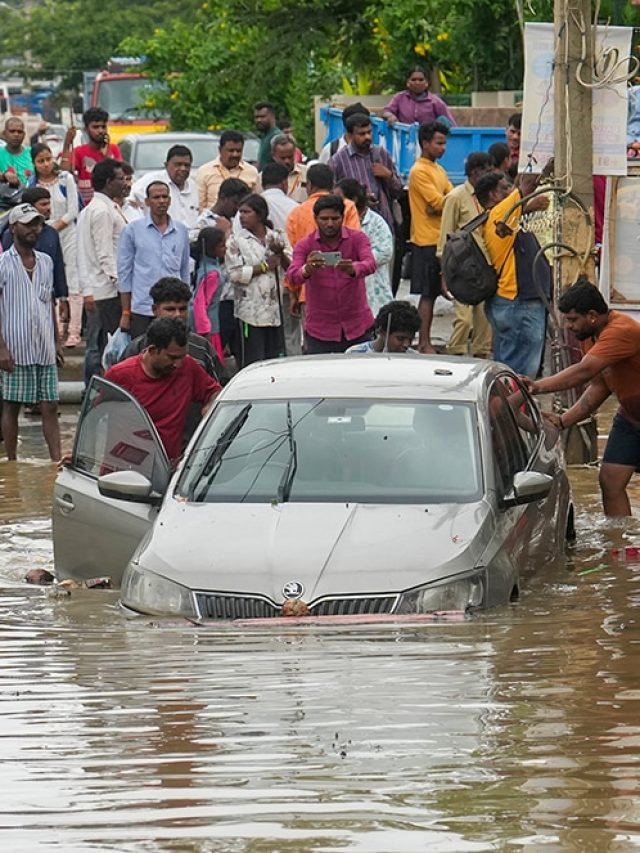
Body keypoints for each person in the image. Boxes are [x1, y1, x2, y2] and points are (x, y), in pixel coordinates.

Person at [525, 280, 640, 517]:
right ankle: (620, 547)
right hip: (630, 419)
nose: (568, 326)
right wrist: (564, 420)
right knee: (610, 481)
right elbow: (599, 385)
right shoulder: (590, 335)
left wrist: (537, 386)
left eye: (572, 319)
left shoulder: (622, 330)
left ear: (592, 316)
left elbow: (584, 371)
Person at [104, 316, 220, 466]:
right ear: (152, 350)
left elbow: (215, 392)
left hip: (166, 470)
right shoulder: (119, 376)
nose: (178, 364)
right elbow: (94, 415)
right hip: (123, 469)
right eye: (172, 358)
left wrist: (210, 406)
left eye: (181, 357)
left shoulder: (189, 368)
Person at [0, 204, 61, 461]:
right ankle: (12, 460)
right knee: (11, 406)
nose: (33, 229)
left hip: (44, 346)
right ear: (13, 228)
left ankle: (57, 460)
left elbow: (50, 303)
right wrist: (1, 348)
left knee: (51, 405)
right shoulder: (3, 264)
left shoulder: (46, 262)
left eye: (37, 224)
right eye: (27, 224)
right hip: (15, 347)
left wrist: (56, 342)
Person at [482, 166, 551, 377]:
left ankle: (507, 406)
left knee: (509, 367)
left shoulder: (504, 217)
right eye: (505, 188)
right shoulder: (500, 213)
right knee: (521, 372)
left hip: (514, 303)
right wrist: (540, 161)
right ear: (494, 194)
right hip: (519, 303)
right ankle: (513, 407)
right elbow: (527, 186)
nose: (511, 190)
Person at [287, 194, 375, 354]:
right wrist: (308, 269)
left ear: (343, 217)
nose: (329, 224)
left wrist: (353, 268)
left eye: (335, 219)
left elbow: (370, 263)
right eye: (324, 219)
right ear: (315, 218)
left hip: (357, 326)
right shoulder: (305, 245)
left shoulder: (357, 239)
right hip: (320, 331)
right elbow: (293, 275)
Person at [285, 163, 361, 323]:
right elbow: (355, 247)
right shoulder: (347, 207)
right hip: (346, 288)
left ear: (310, 185)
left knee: (315, 343)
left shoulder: (295, 214)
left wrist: (293, 292)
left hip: (310, 291)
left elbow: (293, 259)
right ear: (333, 184)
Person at [436, 151, 493, 358]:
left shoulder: (489, 196)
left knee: (484, 322)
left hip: (486, 267)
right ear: (474, 173)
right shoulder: (455, 197)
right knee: (464, 319)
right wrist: (445, 274)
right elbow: (445, 238)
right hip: (462, 269)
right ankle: (455, 356)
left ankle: (481, 358)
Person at [117, 181, 191, 339]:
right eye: (156, 197)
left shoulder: (181, 230)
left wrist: (185, 306)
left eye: (165, 197)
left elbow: (184, 269)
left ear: (170, 200)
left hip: (173, 308)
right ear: (147, 202)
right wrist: (125, 311)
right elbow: (125, 273)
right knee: (144, 352)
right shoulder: (132, 230)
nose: (162, 201)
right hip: (143, 308)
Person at [76, 158, 126, 382]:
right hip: (105, 290)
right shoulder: (102, 211)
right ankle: (94, 392)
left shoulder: (95, 208)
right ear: (108, 182)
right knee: (101, 347)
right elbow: (105, 253)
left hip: (97, 288)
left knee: (97, 345)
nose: (124, 183)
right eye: (120, 179)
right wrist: (122, 285)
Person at [226, 193, 291, 365]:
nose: (241, 216)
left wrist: (280, 253)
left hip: (274, 313)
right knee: (252, 360)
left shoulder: (277, 237)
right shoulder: (236, 241)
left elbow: (291, 269)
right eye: (240, 212)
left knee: (273, 360)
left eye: (246, 212)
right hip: (249, 314)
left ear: (260, 215)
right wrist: (263, 267)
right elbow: (234, 274)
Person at [30, 143, 82, 347]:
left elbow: (73, 210)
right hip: (43, 235)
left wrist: (54, 228)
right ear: (34, 163)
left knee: (73, 279)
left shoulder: (65, 179)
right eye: (40, 161)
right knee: (50, 279)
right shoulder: (32, 184)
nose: (45, 164)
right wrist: (46, 232)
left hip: (68, 233)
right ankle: (57, 327)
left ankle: (74, 330)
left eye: (48, 159)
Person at [408, 121, 453, 353]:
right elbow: (439, 202)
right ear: (425, 144)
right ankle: (424, 342)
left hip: (440, 238)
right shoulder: (419, 171)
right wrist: (441, 204)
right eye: (439, 143)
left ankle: (426, 341)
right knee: (428, 295)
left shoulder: (438, 169)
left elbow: (450, 197)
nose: (443, 148)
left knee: (434, 293)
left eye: (444, 143)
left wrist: (441, 204)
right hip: (426, 240)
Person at [330, 113, 403, 232]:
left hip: (383, 223)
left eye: (369, 132)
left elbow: (398, 190)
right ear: (350, 135)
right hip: (355, 226)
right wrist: (361, 199)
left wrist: (388, 175)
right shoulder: (338, 161)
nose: (367, 137)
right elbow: (332, 197)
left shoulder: (380, 154)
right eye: (361, 134)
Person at [259, 162, 301, 355]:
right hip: (289, 279)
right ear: (285, 183)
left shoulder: (250, 208)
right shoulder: (295, 208)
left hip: (259, 282)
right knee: (291, 333)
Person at [335, 177, 393, 316]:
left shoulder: (375, 222)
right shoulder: (337, 220)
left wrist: (356, 261)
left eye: (338, 197)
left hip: (373, 289)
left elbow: (385, 251)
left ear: (352, 200)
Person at [128, 145, 199, 239]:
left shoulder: (193, 185)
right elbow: (128, 201)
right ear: (166, 165)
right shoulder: (150, 180)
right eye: (178, 164)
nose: (183, 169)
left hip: (190, 243)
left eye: (187, 165)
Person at [68, 107, 122, 205]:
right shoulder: (79, 152)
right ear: (86, 129)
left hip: (110, 204)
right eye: (95, 127)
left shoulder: (113, 149)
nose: (100, 131)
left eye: (103, 127)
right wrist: (66, 144)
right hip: (87, 205)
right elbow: (65, 172)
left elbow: (119, 176)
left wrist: (106, 155)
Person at [197, 130, 258, 211]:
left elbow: (257, 204)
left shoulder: (252, 172)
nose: (235, 154)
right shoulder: (204, 171)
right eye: (231, 150)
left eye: (239, 151)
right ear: (220, 150)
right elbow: (200, 206)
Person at [192, 228, 226, 363]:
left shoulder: (205, 264)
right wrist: (205, 329)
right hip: (209, 328)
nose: (226, 248)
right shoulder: (212, 274)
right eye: (222, 245)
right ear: (212, 248)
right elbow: (200, 303)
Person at [382, 66, 456, 127]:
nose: (417, 82)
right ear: (408, 83)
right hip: (404, 139)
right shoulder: (399, 98)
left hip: (428, 141)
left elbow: (450, 124)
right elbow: (386, 111)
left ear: (426, 83)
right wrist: (390, 116)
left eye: (421, 80)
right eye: (413, 80)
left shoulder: (435, 102)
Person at [347, 300, 420, 353]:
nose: (406, 345)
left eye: (411, 340)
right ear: (382, 332)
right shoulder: (355, 355)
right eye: (400, 338)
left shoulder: (413, 358)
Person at [256, 135, 306, 202]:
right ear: (273, 155)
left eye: (290, 157)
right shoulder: (262, 178)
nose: (287, 161)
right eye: (283, 158)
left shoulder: (307, 173)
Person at [0, 117, 33, 186]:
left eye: (19, 132)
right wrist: (3, 175)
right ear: (4, 134)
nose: (16, 134)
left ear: (24, 135)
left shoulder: (32, 153)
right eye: (12, 131)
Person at [254, 101, 280, 170]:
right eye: (256, 117)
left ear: (273, 117)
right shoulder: (265, 135)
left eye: (262, 116)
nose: (258, 120)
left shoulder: (277, 137)